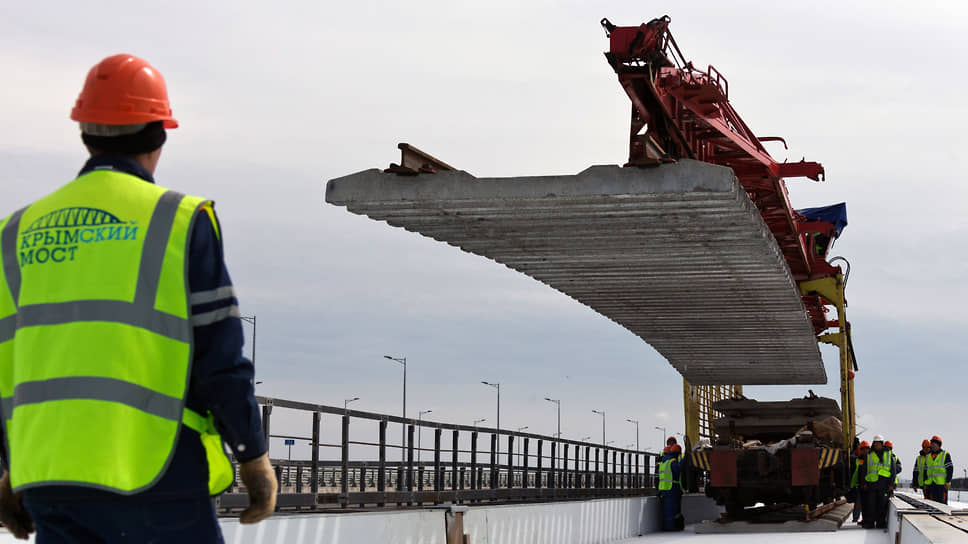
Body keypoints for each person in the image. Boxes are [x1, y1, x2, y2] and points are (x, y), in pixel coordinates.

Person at [0, 54, 277, 542]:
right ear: (159, 135)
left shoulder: (15, 232)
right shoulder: (177, 220)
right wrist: (252, 455)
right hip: (153, 470)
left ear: (84, 131)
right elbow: (220, 358)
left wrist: (8, 466)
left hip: (48, 474)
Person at [858, 435, 894, 529]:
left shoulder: (888, 454)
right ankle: (870, 522)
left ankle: (880, 523)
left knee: (882, 505)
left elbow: (892, 470)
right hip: (872, 484)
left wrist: (891, 484)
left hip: (884, 484)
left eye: (878, 443)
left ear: (882, 444)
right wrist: (864, 483)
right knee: (871, 504)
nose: (876, 445)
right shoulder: (869, 455)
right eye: (875, 443)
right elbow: (864, 469)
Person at [658, 444, 684, 531]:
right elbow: (678, 470)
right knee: (672, 509)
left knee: (667, 510)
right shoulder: (672, 462)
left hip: (664, 489)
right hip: (672, 488)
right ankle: (671, 527)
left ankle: (667, 526)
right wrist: (683, 461)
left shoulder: (662, 462)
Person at [923, 435, 954, 504]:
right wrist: (925, 483)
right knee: (931, 504)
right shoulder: (928, 457)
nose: (933, 446)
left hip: (942, 485)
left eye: (935, 444)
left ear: (939, 445)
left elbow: (950, 469)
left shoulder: (945, 455)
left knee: (942, 505)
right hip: (931, 485)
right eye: (932, 444)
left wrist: (948, 481)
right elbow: (925, 472)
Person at [849, 441, 869, 524]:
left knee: (866, 504)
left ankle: (865, 519)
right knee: (858, 503)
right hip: (859, 484)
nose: (865, 451)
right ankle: (855, 518)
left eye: (866, 449)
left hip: (867, 484)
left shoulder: (870, 460)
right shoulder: (858, 460)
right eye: (863, 449)